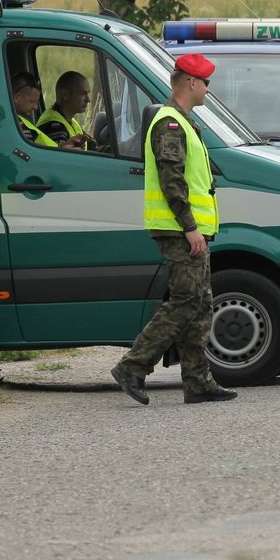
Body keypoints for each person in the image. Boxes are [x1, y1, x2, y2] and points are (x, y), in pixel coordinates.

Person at [110, 53, 237, 406]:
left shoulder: (181, 121)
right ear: (191, 83)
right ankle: (133, 366)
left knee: (199, 304)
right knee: (184, 302)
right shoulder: (170, 124)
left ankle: (198, 382)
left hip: (188, 229)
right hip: (179, 229)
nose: (209, 89)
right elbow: (172, 181)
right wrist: (190, 227)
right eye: (206, 82)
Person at [38, 71, 94, 150]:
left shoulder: (70, 121)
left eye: (87, 94)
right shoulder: (55, 126)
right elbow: (65, 159)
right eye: (83, 94)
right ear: (65, 94)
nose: (88, 100)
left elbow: (93, 146)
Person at [11, 71, 57, 147]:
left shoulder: (21, 121)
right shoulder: (18, 126)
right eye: (32, 101)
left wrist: (64, 147)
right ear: (17, 98)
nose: (35, 107)